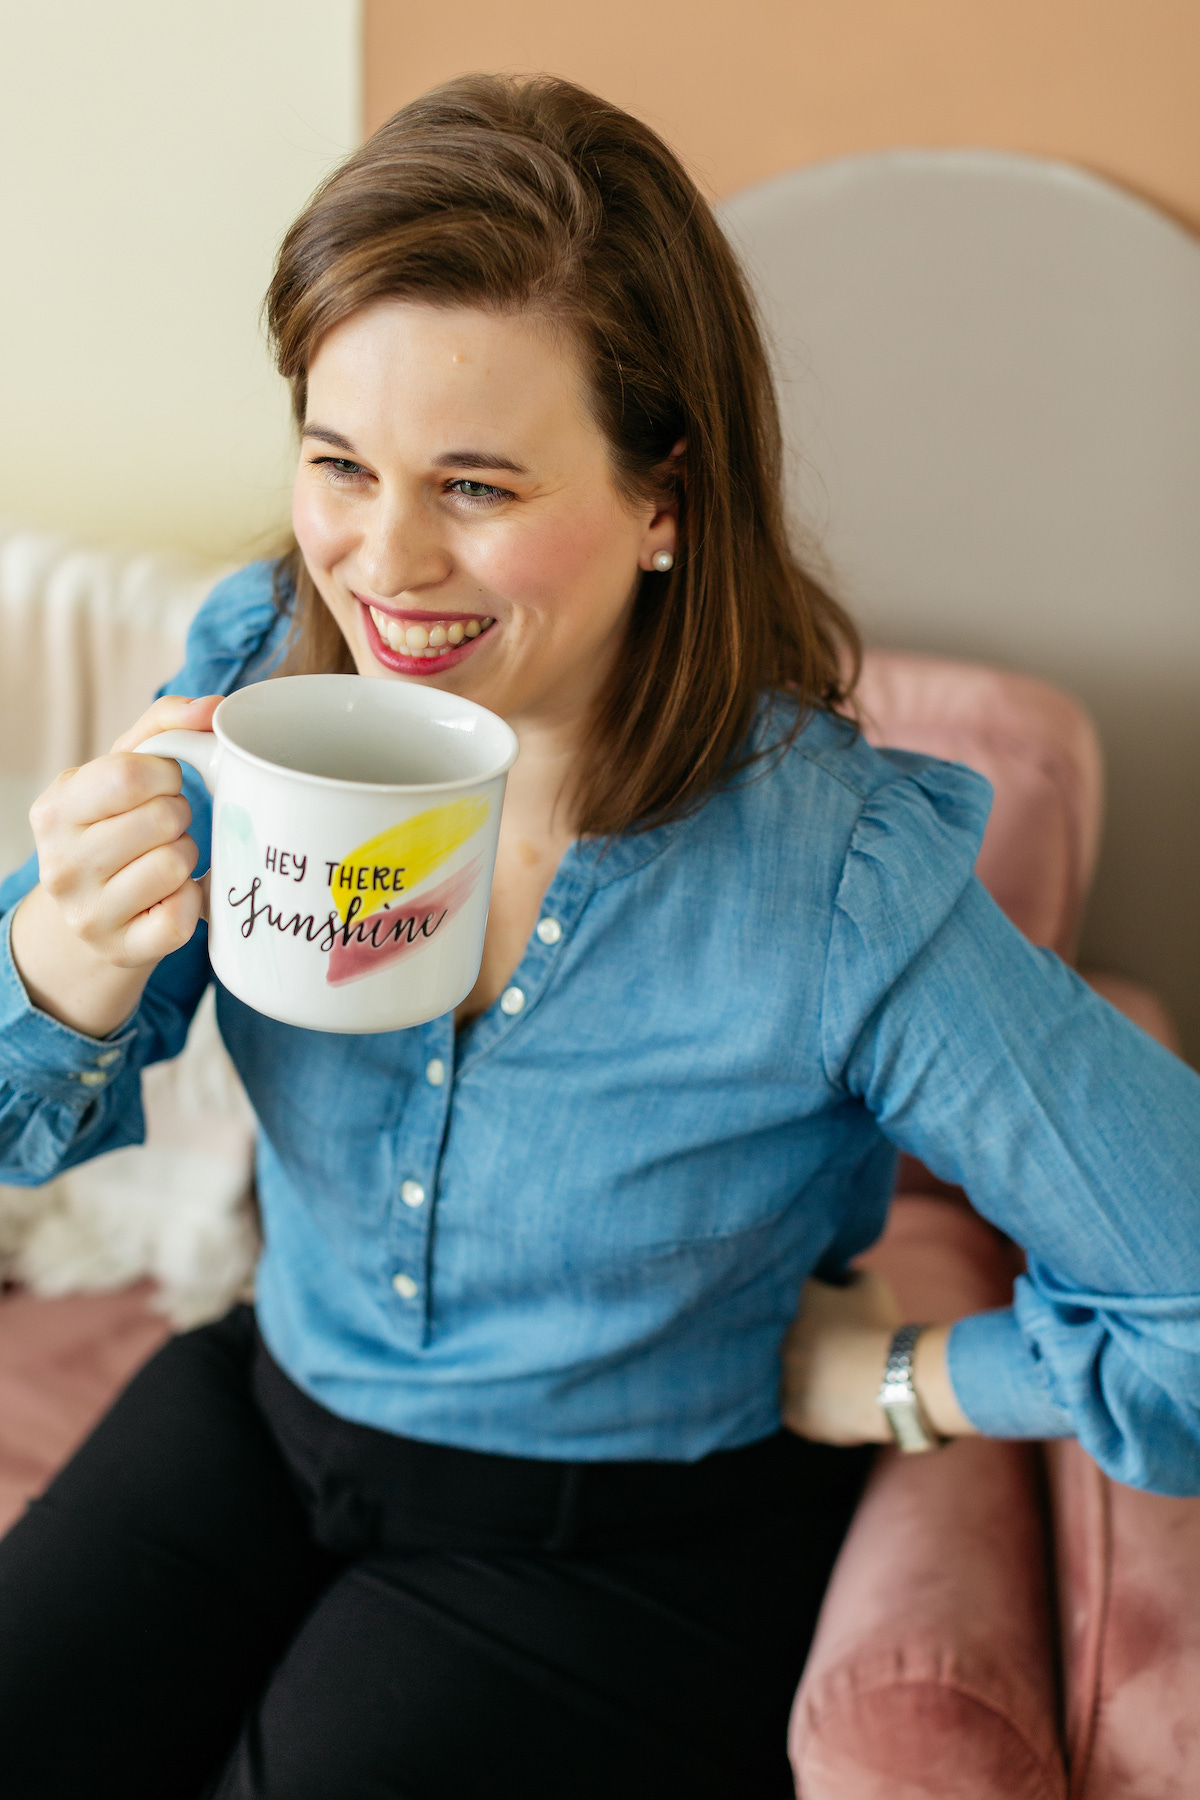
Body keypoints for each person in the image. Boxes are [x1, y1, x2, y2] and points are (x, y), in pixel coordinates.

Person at [0, 74, 1197, 1800]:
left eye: (475, 484)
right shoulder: (263, 661)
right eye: (339, 463)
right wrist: (66, 967)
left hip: (616, 1538)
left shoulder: (834, 881)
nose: (379, 561)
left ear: (665, 498)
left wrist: (917, 1386)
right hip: (267, 1403)